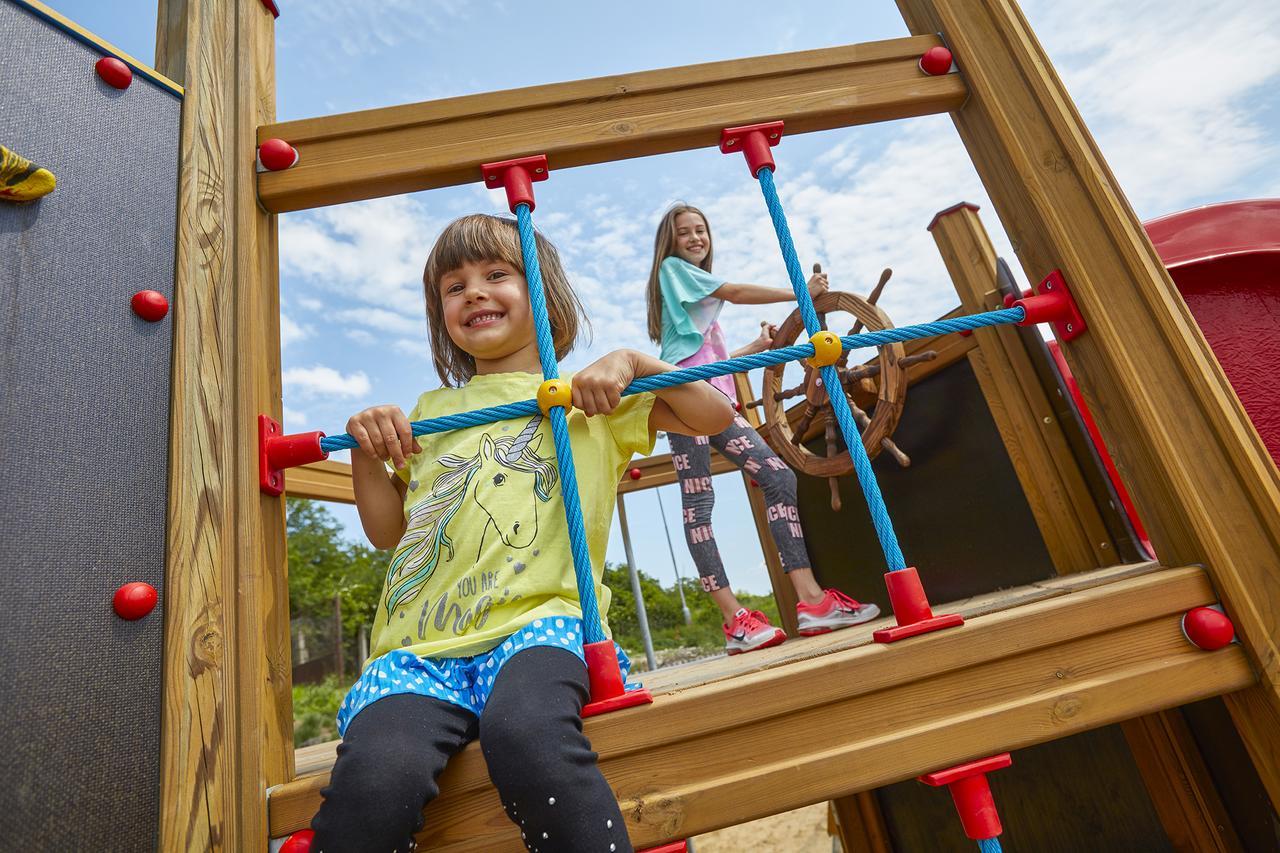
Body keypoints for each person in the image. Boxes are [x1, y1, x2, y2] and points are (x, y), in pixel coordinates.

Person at [312, 213, 734, 853]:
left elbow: (713, 414)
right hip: (419, 651)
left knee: (527, 734)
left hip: (539, 626)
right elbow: (387, 530)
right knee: (372, 779)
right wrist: (366, 454)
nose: (474, 292)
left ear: (544, 293)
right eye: (453, 287)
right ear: (441, 316)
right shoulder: (431, 413)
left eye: (496, 274)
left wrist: (631, 360)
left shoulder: (588, 397)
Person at [645, 203, 881, 655]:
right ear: (669, 245)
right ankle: (735, 618)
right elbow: (733, 291)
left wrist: (754, 348)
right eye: (685, 233)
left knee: (777, 477)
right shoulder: (674, 270)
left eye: (702, 231)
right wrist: (800, 292)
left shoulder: (697, 304)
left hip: (709, 398)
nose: (696, 238)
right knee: (700, 504)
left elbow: (710, 360)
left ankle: (810, 601)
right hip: (681, 397)